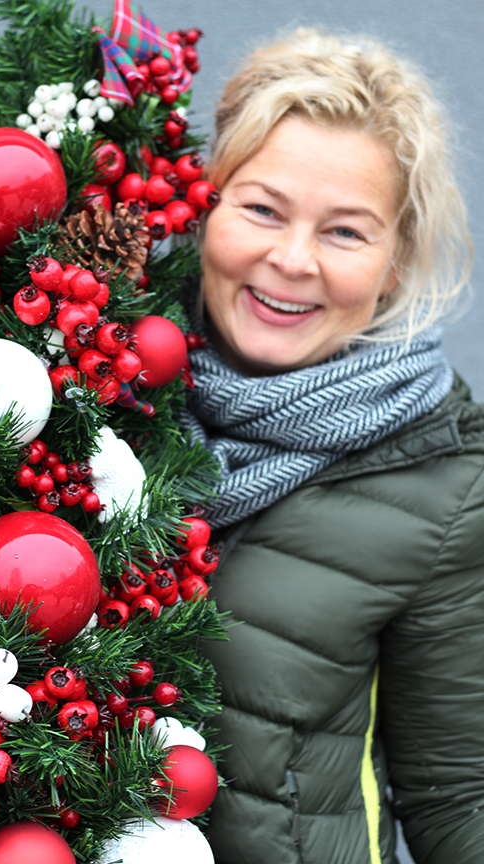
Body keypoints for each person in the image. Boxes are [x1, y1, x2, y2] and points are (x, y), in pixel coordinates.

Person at [183, 28, 484, 864]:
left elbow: (461, 795)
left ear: (395, 265)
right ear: (205, 206)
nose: (291, 260)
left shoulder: (446, 485)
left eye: (346, 232)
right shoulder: (82, 392)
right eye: (262, 209)